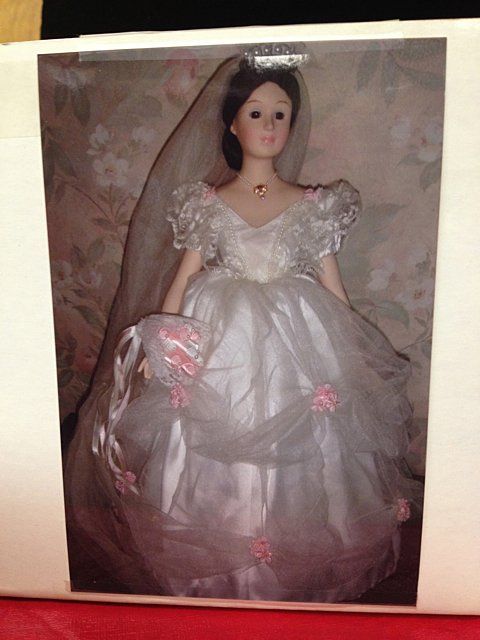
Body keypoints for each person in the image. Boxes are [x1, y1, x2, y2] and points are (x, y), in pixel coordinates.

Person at [64, 45, 423, 603]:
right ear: (233, 123)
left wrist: (355, 353)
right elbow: (184, 277)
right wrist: (164, 343)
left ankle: (299, 561)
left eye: (280, 113)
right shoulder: (207, 203)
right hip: (219, 335)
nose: (269, 125)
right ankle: (217, 562)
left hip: (299, 338)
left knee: (315, 446)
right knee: (208, 436)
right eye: (256, 112)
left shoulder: (313, 204)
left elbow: (332, 286)